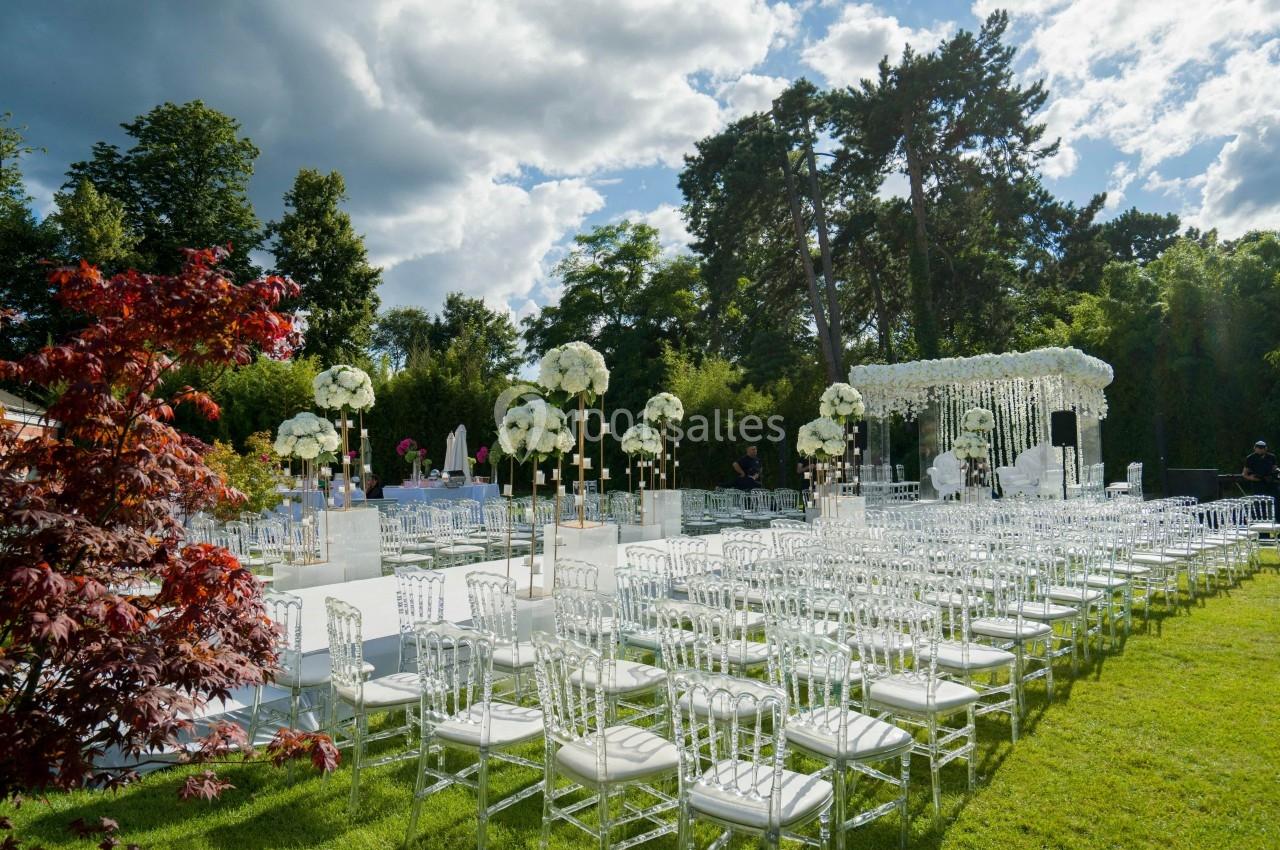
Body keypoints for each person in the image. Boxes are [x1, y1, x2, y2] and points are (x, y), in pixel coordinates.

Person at [1241, 440, 1277, 510]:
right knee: (1259, 503)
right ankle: (1260, 518)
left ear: (1265, 448)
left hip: (1270, 482)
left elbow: (1274, 469)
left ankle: (1275, 518)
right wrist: (1252, 478)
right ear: (1255, 448)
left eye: (1262, 448)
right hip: (1257, 483)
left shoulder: (1271, 457)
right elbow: (1244, 474)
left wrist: (1273, 476)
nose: (1260, 450)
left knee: (1274, 501)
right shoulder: (1250, 458)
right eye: (1259, 448)